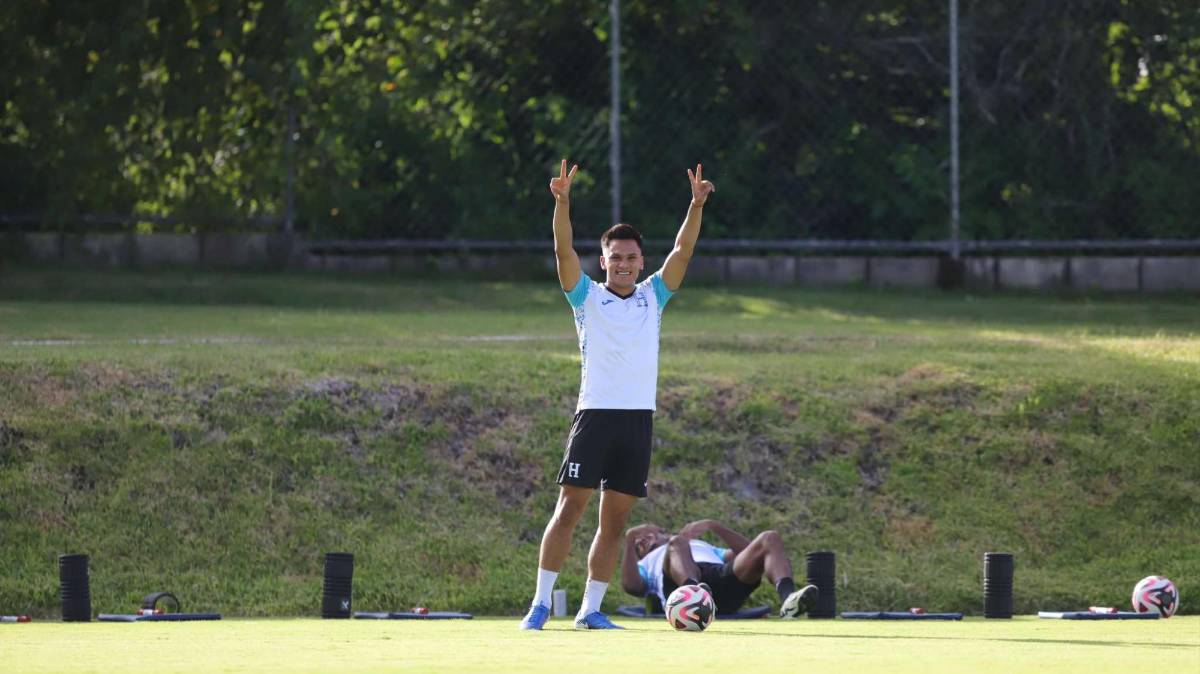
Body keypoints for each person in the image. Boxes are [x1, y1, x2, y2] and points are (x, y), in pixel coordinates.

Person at [519, 159, 715, 631]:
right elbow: (561, 247)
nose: (624, 264)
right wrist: (562, 202)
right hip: (595, 417)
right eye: (615, 257)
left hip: (637, 422)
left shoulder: (654, 296)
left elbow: (683, 251)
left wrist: (696, 205)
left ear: (640, 262)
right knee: (569, 509)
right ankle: (541, 605)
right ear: (603, 261)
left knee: (614, 523)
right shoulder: (584, 296)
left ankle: (591, 610)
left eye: (631, 258)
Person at [620, 519, 819, 619]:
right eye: (639, 545)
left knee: (769, 538)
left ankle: (788, 600)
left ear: (663, 533)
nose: (643, 540)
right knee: (678, 543)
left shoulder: (700, 545)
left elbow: (749, 552)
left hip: (718, 580)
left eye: (648, 535)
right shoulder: (647, 561)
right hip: (681, 591)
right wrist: (629, 541)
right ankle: (696, 595)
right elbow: (632, 586)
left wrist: (714, 526)